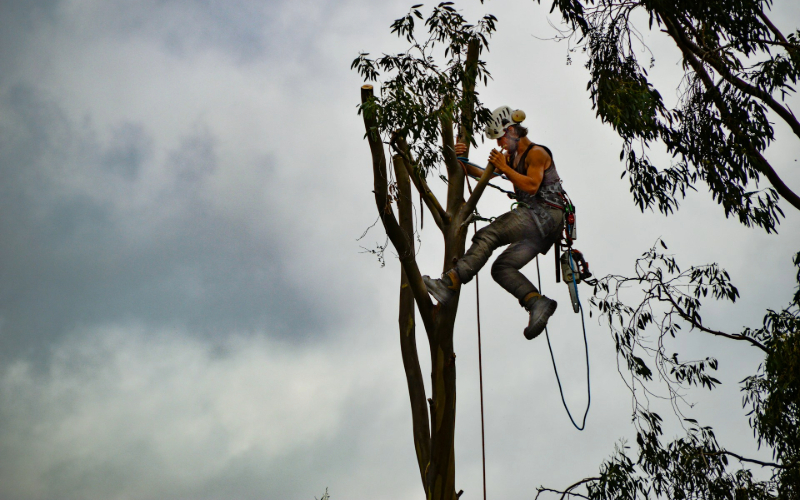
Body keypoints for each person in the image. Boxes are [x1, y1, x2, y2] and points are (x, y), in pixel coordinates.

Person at [423, 106, 566, 340]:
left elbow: (531, 185)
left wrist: (505, 167)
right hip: (541, 227)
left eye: (500, 138)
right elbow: (484, 173)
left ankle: (449, 282)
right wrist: (458, 159)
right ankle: (536, 302)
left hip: (545, 214)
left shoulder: (536, 153)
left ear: (511, 130)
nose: (500, 144)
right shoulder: (512, 159)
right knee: (501, 268)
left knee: (489, 235)